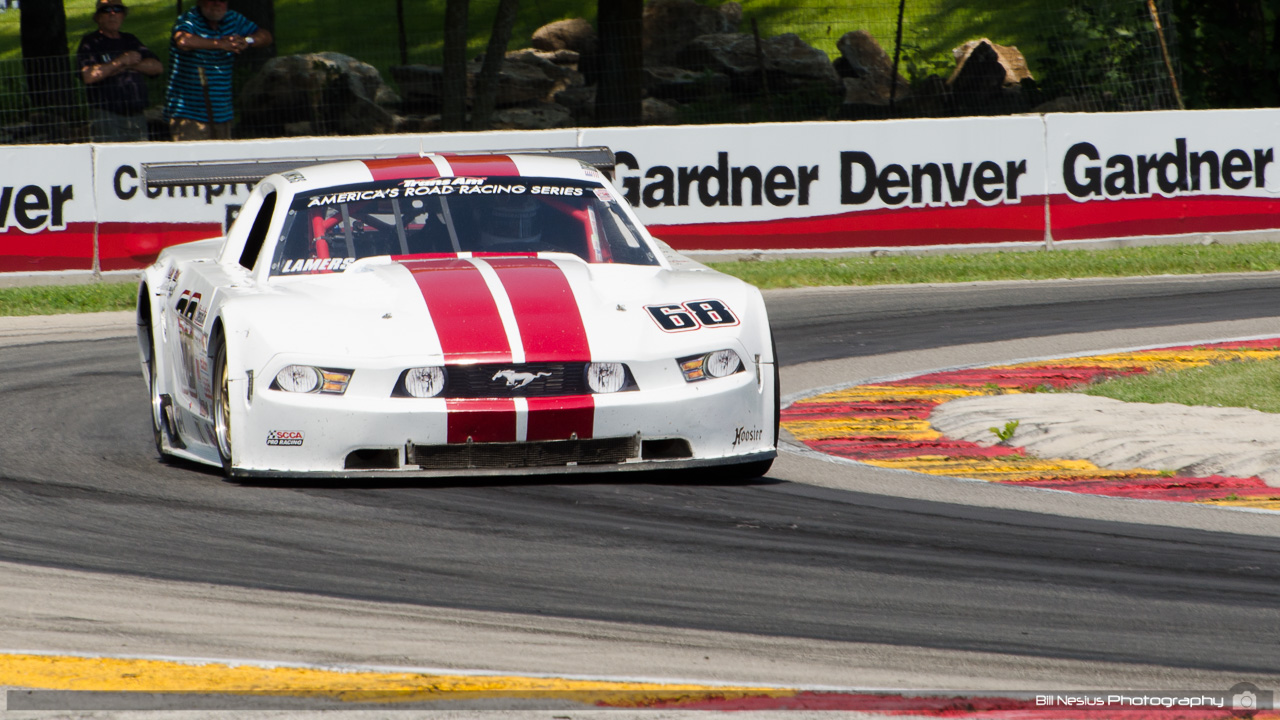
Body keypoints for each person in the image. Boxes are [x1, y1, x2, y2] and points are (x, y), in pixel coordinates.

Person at [163, 0, 272, 141]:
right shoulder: (188, 19)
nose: (217, 4)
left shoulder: (233, 19)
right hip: (189, 114)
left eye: (222, 0)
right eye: (211, 0)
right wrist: (220, 44)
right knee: (194, 161)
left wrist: (248, 40)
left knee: (223, 160)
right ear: (200, 1)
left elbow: (266, 36)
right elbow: (183, 41)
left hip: (222, 112)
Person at [76, 0, 163, 142]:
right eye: (106, 10)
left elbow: (157, 67)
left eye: (117, 9)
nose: (112, 14)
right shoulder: (90, 42)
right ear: (98, 17)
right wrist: (120, 61)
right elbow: (89, 76)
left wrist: (129, 65)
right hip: (106, 116)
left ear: (123, 15)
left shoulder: (130, 40)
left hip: (136, 116)